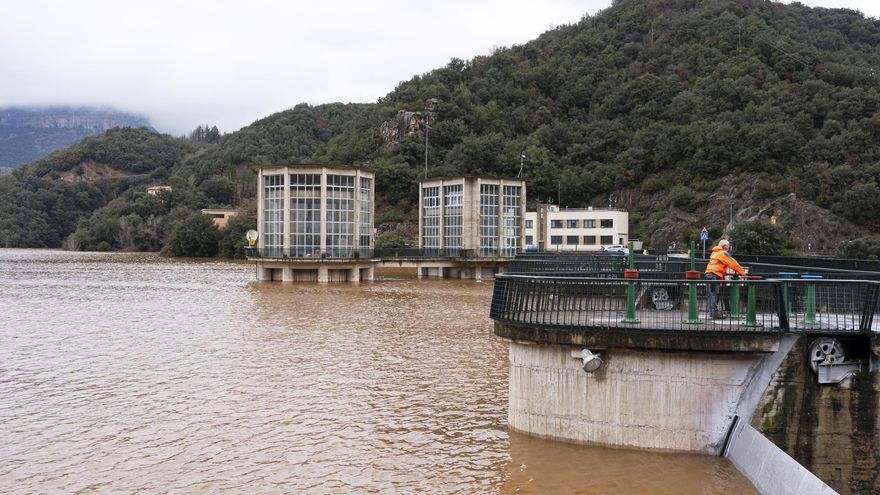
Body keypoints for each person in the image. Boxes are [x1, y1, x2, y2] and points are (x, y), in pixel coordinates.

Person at [704, 239, 746, 318]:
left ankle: (712, 313)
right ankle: (715, 313)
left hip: (708, 275)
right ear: (725, 246)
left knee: (710, 295)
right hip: (714, 276)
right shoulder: (723, 253)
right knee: (713, 294)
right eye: (728, 245)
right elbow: (733, 263)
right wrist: (743, 273)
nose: (729, 247)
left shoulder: (714, 252)